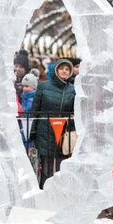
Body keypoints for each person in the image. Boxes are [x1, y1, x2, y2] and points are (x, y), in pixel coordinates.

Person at [30, 58, 75, 188]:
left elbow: (74, 112)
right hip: (45, 130)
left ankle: (60, 193)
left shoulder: (73, 89)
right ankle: (44, 192)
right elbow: (35, 109)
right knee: (47, 167)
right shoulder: (44, 86)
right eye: (62, 68)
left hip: (64, 131)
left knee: (63, 166)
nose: (64, 71)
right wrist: (32, 130)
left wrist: (72, 127)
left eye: (67, 69)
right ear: (56, 70)